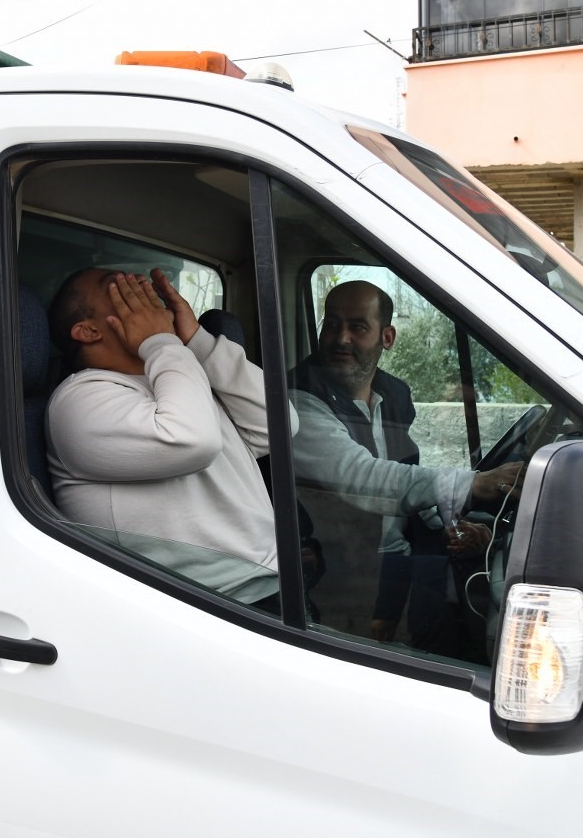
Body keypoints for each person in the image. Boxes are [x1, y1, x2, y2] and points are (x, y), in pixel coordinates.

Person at [288, 281, 521, 653]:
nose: (340, 338)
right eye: (331, 325)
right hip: (342, 568)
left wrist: (451, 525)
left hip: (397, 558)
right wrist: (473, 483)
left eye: (357, 327)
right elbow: (362, 478)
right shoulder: (297, 400)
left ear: (388, 337)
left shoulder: (394, 396)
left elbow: (405, 475)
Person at [44, 268, 281, 609]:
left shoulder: (174, 376)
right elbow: (193, 440)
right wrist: (161, 342)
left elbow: (277, 427)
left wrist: (195, 341)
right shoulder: (80, 401)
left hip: (266, 583)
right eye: (117, 286)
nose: (138, 284)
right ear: (88, 331)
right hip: (205, 605)